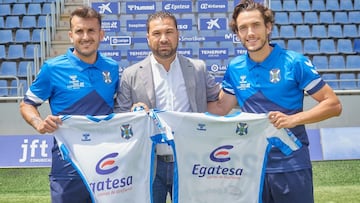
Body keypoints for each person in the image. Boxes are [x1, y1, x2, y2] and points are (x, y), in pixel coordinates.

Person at [207, 0, 342, 203]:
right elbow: (221, 107)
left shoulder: (294, 62)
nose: (250, 33)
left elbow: (333, 105)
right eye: (243, 28)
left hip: (292, 164)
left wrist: (293, 119)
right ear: (237, 34)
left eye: (256, 25)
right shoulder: (235, 68)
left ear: (268, 27)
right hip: (252, 167)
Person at [114, 11, 220, 203]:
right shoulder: (131, 74)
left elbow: (220, 103)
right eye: (156, 33)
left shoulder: (198, 69)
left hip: (190, 162)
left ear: (178, 34)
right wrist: (132, 114)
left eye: (169, 32)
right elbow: (119, 118)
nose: (163, 39)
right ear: (147, 38)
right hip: (149, 164)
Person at [19, 6, 119, 203]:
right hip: (68, 165)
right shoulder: (53, 68)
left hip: (107, 164)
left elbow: (119, 108)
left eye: (91, 31)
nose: (85, 37)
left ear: (101, 34)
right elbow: (27, 104)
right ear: (71, 35)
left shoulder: (112, 68)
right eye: (79, 31)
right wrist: (38, 122)